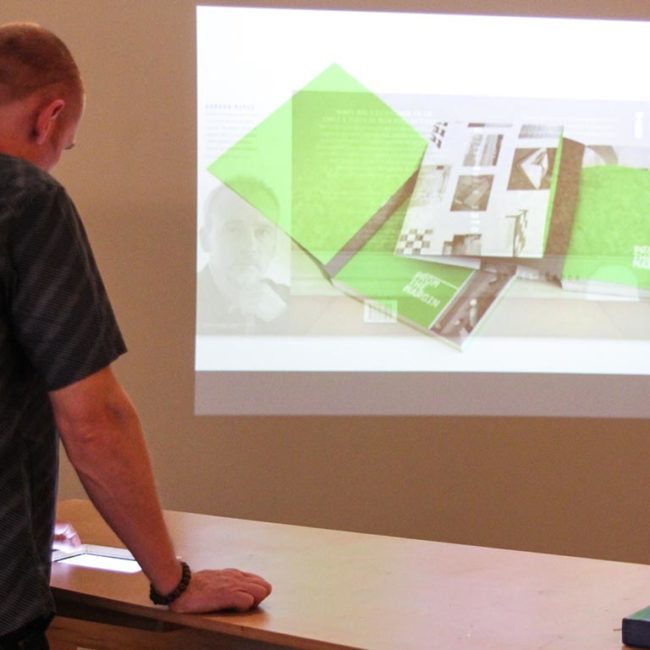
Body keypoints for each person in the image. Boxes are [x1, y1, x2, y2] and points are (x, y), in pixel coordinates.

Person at [0, 22, 271, 649]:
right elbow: (95, 421)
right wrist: (173, 582)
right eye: (67, 144)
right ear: (49, 118)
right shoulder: (25, 199)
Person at [197, 181, 289, 334]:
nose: (250, 247)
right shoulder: (178, 298)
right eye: (233, 230)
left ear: (274, 244)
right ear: (205, 240)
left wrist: (282, 319)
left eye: (262, 232)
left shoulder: (290, 304)